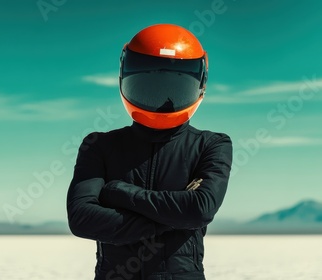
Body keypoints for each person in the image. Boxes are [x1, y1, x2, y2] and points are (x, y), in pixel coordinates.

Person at [66, 23, 233, 280]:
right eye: (150, 82)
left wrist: (119, 193)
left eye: (175, 85)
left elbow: (200, 209)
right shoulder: (98, 145)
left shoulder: (212, 144)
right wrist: (175, 218)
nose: (162, 96)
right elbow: (82, 218)